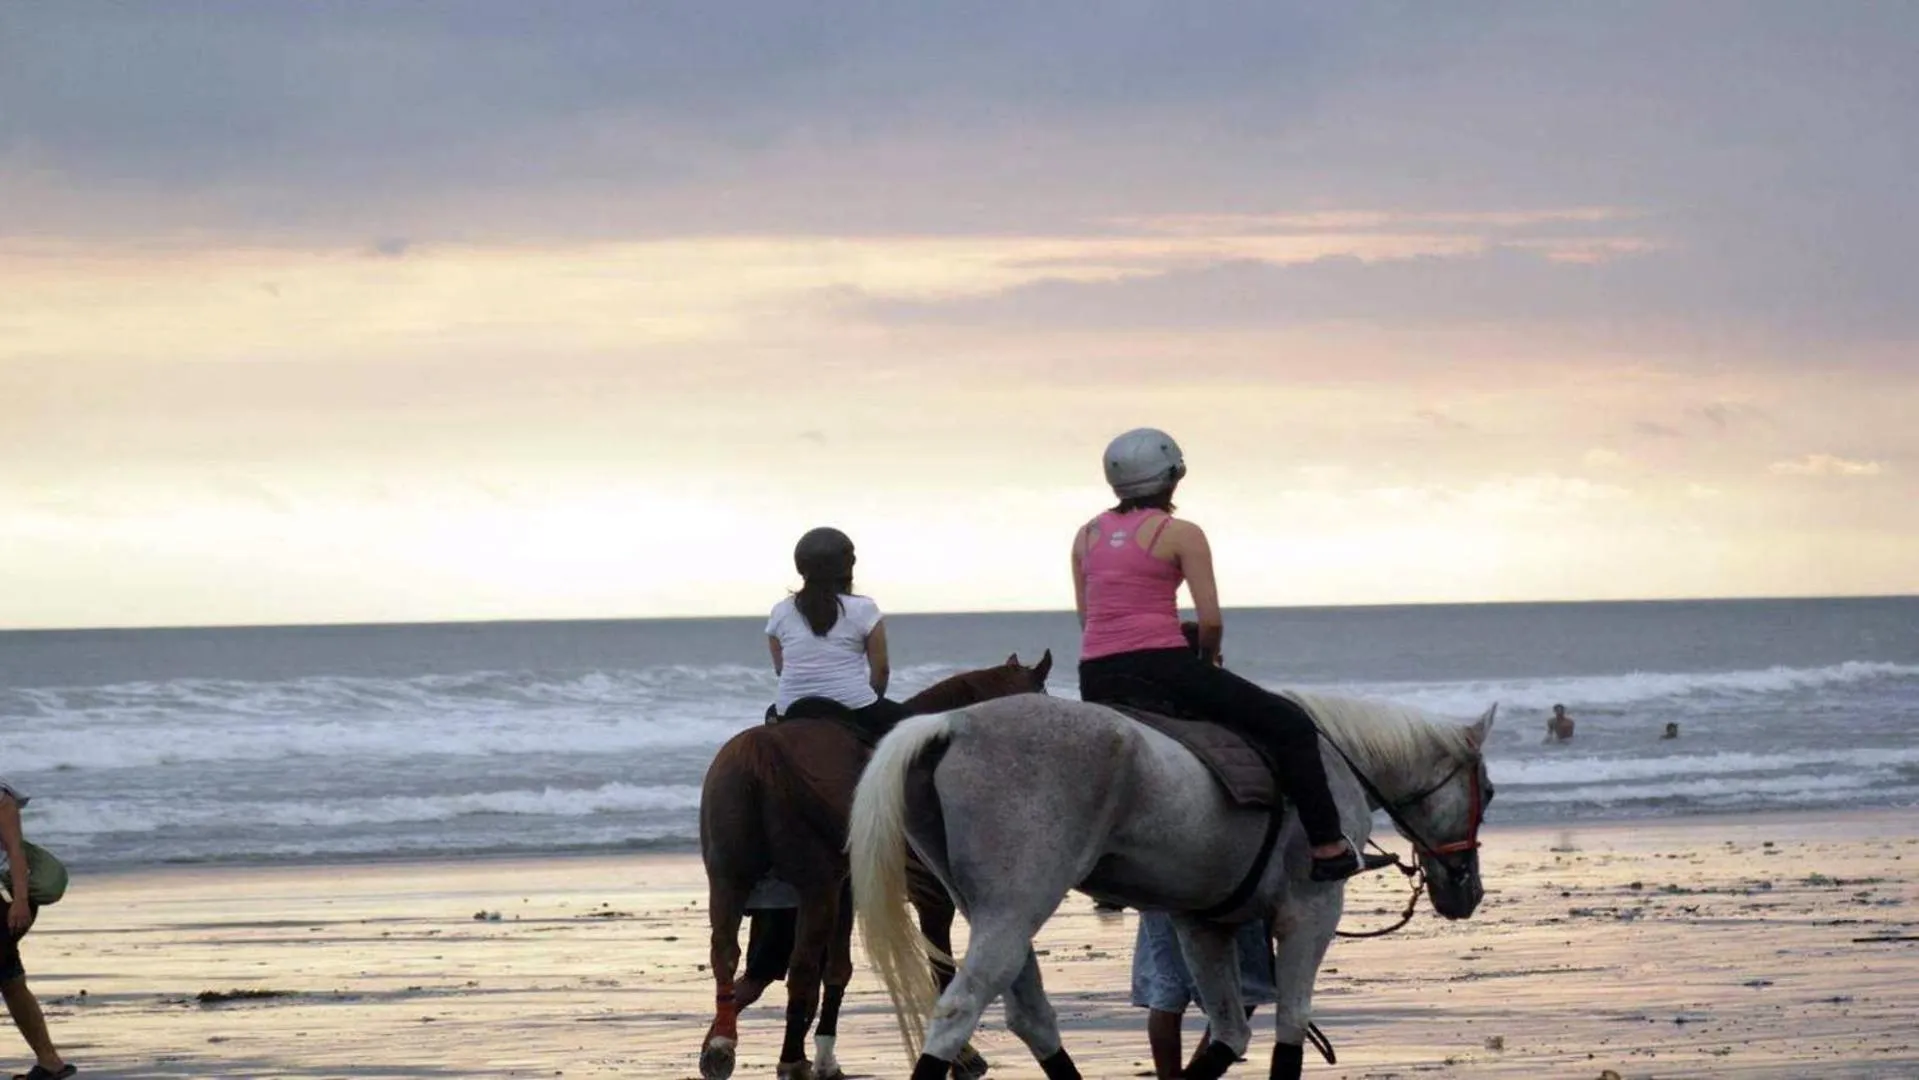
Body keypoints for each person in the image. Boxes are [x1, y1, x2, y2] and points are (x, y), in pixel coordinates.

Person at [1072, 427, 1389, 883]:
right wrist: (1206, 656)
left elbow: (1090, 618)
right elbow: (1212, 621)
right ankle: (1327, 845)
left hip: (1098, 675)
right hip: (1163, 668)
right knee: (1289, 724)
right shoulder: (1180, 533)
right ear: (1173, 477)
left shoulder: (1086, 535)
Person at [765, 526, 905, 737]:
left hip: (789, 710)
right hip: (855, 708)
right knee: (931, 734)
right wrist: (874, 702)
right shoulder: (864, 608)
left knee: (769, 718)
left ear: (801, 567)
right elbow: (881, 670)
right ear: (847, 567)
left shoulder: (780, 610)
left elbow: (781, 669)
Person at [1131, 911, 1275, 1080]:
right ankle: (1200, 1073)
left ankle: (1175, 1076)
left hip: (1154, 892)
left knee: (1167, 983)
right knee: (1244, 986)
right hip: (1219, 894)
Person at [1, 776, 74, 1080]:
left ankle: (50, 1062)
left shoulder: (1, 800)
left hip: (5, 904)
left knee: (10, 978)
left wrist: (20, 900)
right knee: (11, 981)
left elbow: (16, 853)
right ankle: (50, 1063)